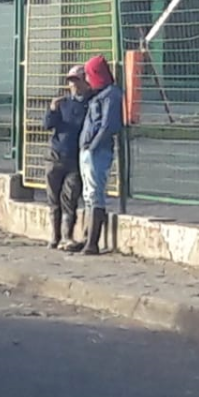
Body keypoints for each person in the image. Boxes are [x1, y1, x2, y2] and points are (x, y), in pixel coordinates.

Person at [73, 54, 124, 256]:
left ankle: (93, 242)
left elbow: (108, 125)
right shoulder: (98, 94)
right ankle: (87, 238)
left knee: (95, 194)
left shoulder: (111, 95)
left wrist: (92, 145)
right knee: (88, 195)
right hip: (87, 149)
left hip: (98, 151)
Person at [43, 65, 90, 250]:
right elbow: (47, 125)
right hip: (55, 156)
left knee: (70, 199)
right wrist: (52, 110)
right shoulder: (62, 103)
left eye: (77, 81)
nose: (74, 85)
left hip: (74, 159)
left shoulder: (90, 104)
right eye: (71, 81)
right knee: (53, 200)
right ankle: (54, 237)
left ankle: (67, 236)